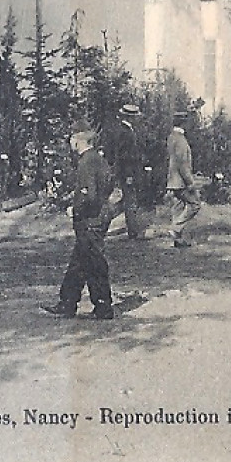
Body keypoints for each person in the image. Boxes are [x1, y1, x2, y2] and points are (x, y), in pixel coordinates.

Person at [44, 125, 115, 320]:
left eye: (72, 139)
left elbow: (89, 195)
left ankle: (103, 306)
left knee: (93, 262)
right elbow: (108, 185)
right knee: (80, 262)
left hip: (90, 220)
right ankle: (68, 302)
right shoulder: (98, 159)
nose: (70, 143)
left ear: (78, 140)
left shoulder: (86, 162)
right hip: (97, 217)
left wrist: (74, 209)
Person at [102, 103, 151, 238]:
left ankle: (103, 223)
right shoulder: (125, 133)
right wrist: (129, 174)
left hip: (127, 172)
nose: (137, 119)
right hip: (127, 173)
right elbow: (124, 156)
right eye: (135, 117)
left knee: (126, 202)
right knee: (130, 201)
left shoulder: (126, 130)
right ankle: (133, 232)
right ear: (130, 117)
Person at [165, 112, 200, 248]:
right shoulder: (180, 140)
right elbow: (182, 163)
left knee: (178, 207)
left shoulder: (171, 137)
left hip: (172, 179)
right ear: (184, 124)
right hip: (181, 181)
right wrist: (190, 181)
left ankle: (177, 240)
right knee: (195, 204)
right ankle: (175, 229)